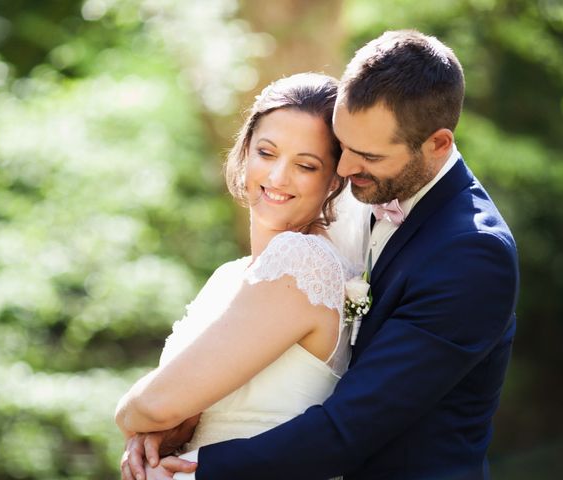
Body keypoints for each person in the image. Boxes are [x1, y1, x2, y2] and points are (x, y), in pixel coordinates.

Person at [122, 29, 520, 480]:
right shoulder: (365, 198)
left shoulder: (472, 253)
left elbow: (351, 426)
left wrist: (193, 473)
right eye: (342, 145)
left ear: (438, 144)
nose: (345, 170)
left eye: (365, 155)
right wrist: (173, 423)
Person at [114, 73, 362, 479]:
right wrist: (169, 429)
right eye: (266, 153)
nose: (278, 177)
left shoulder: (303, 263)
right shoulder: (230, 275)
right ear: (245, 151)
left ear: (333, 180)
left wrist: (131, 414)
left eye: (305, 165)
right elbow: (175, 409)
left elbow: (152, 406)